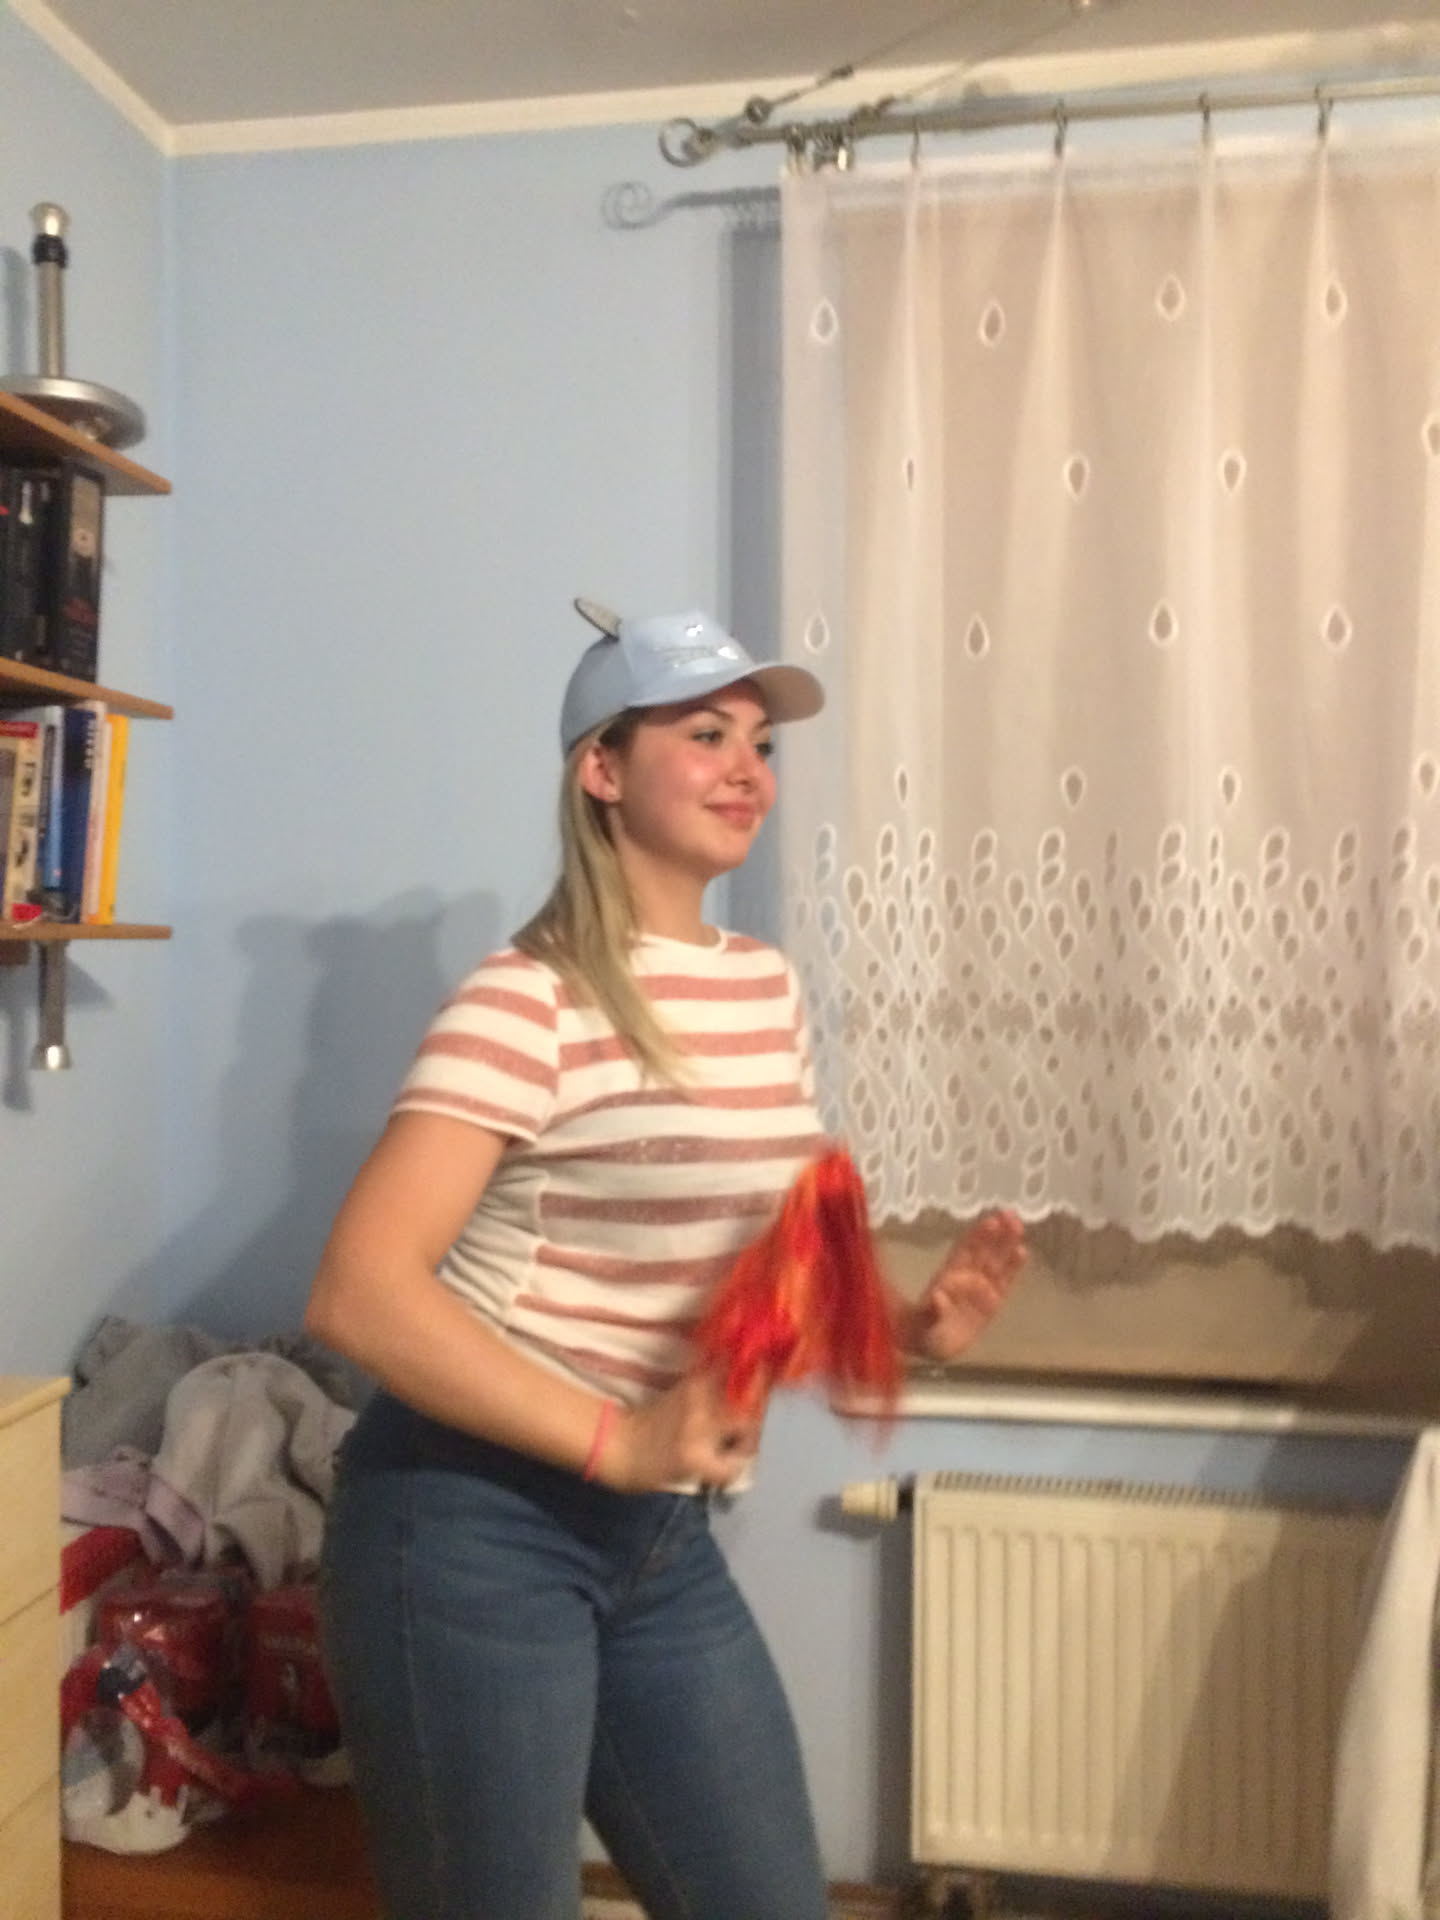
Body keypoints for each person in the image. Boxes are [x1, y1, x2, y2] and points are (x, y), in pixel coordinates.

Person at [306, 600, 1027, 1920]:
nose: (748, 768)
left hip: (655, 1537)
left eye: (761, 742)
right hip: (466, 1527)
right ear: (602, 767)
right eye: (705, 734)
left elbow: (750, 1258)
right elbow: (361, 1291)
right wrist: (618, 1438)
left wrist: (906, 1326)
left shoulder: (761, 986)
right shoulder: (527, 999)